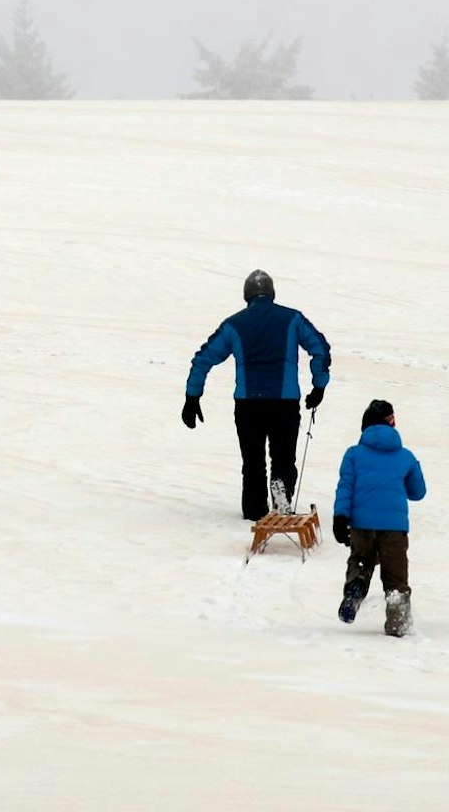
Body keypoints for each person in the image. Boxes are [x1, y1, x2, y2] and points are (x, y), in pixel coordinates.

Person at [183, 269, 332, 520]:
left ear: (246, 296)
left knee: (253, 462)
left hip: (248, 404)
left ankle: (254, 513)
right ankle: (281, 495)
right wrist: (319, 386)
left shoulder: (234, 324)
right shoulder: (293, 319)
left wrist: (192, 397)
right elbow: (320, 349)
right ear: (272, 294)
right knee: (283, 457)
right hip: (284, 403)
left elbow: (203, 359)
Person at [331, 399, 428, 637]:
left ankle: (356, 587)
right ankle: (398, 622)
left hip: (362, 525)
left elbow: (345, 487)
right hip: (394, 529)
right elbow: (418, 492)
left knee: (361, 561)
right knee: (395, 576)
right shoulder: (405, 456)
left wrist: (340, 517)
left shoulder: (353, 454)